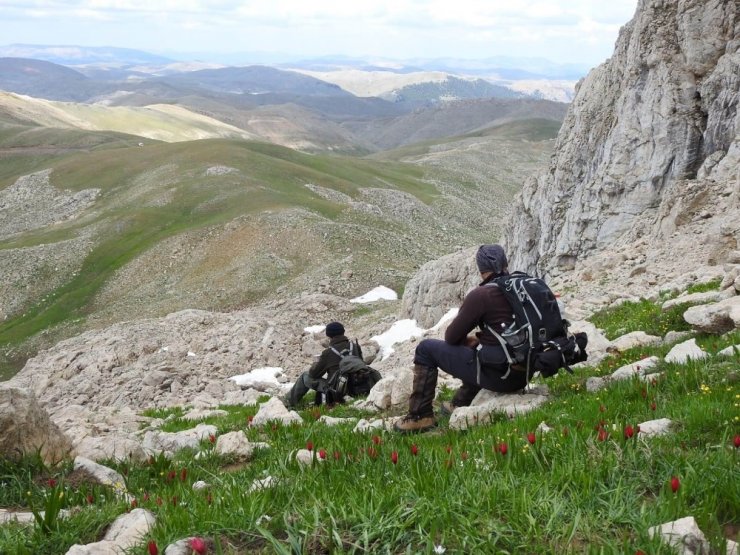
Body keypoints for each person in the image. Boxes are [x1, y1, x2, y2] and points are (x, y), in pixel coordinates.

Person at [394, 244, 528, 434]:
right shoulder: (522, 287)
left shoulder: (482, 294)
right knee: (480, 348)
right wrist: (481, 339)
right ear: (506, 263)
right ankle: (461, 402)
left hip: (502, 378)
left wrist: (472, 339)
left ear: (481, 270)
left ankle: (420, 416)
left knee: (425, 349)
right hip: (524, 373)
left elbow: (451, 337)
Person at [286, 321, 364, 408]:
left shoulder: (328, 352)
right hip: (357, 386)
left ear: (329, 335)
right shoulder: (355, 346)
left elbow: (314, 374)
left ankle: (288, 402)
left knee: (305, 376)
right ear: (343, 332)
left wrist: (317, 362)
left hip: (337, 391)